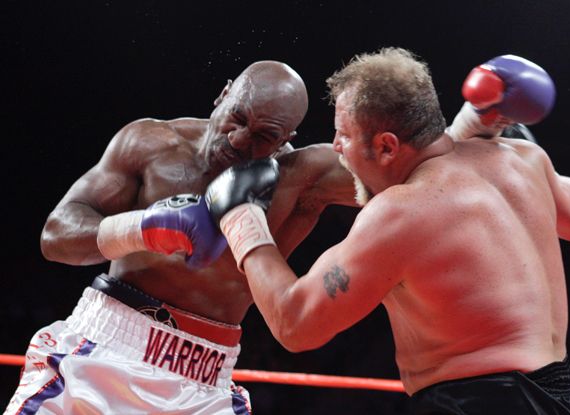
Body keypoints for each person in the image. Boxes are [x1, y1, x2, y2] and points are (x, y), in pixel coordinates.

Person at [208, 48, 570, 414]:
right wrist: (477, 128)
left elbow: (295, 323)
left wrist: (242, 218)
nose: (336, 147)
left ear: (387, 147)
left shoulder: (399, 213)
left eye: (343, 133)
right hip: (569, 396)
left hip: (481, 402)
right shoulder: (526, 160)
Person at [5, 60, 357, 415]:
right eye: (237, 117)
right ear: (222, 95)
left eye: (263, 136)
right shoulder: (152, 144)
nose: (238, 140)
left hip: (203, 384)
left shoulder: (301, 179)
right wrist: (142, 228)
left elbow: (404, 176)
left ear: (286, 141)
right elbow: (55, 236)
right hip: (100, 352)